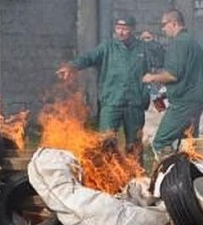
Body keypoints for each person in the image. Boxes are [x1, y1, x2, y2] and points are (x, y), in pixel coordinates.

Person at [56, 15, 150, 154]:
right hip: (112, 101)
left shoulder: (142, 48)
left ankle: (135, 173)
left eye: (125, 29)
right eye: (118, 28)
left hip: (135, 103)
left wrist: (152, 42)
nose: (121, 32)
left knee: (134, 144)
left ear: (133, 29)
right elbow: (89, 57)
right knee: (106, 141)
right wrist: (72, 66)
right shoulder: (107, 47)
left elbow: (161, 58)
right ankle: (106, 173)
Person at [142, 9, 203, 160]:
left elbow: (173, 75)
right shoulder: (193, 43)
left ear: (174, 23)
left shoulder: (178, 43)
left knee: (160, 142)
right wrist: (164, 94)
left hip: (182, 104)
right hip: (195, 102)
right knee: (188, 144)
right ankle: (187, 176)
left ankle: (169, 175)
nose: (163, 29)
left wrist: (152, 77)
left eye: (164, 25)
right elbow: (188, 75)